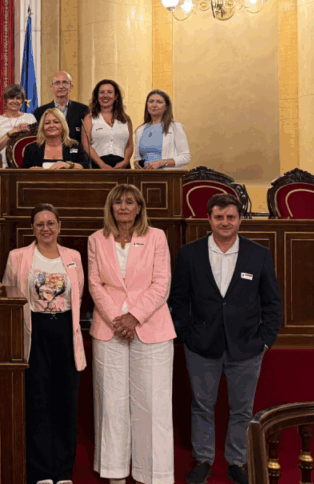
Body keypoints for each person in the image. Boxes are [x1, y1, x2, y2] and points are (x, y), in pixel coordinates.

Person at [169, 194, 282, 484]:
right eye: (219, 217)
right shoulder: (190, 254)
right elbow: (178, 301)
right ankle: (203, 460)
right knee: (201, 406)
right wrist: (186, 335)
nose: (225, 223)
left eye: (231, 217)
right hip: (200, 346)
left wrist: (265, 340)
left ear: (240, 220)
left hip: (247, 347)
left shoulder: (258, 254)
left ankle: (237, 462)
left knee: (242, 409)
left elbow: (272, 302)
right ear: (209, 219)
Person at [87, 184, 175, 484]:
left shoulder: (157, 237)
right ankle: (115, 473)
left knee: (152, 403)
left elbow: (161, 283)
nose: (123, 207)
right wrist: (118, 320)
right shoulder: (96, 239)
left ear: (139, 208)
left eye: (129, 202)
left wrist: (134, 317)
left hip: (152, 327)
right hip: (109, 328)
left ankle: (153, 474)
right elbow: (95, 284)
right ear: (111, 208)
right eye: (118, 202)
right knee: (111, 403)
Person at [1, 204, 87, 484]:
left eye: (51, 223)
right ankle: (40, 472)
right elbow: (9, 295)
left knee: (65, 402)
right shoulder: (18, 256)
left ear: (59, 226)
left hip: (66, 333)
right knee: (37, 402)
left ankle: (62, 472)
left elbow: (79, 294)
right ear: (32, 229)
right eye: (40, 224)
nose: (46, 228)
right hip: (33, 333)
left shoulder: (73, 256)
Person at [82, 79, 134, 170]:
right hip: (97, 166)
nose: (105, 95)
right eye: (102, 92)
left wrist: (125, 161)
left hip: (122, 167)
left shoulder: (126, 119)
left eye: (110, 92)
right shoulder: (89, 118)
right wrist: (101, 164)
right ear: (97, 96)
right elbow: (86, 145)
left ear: (116, 96)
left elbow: (129, 145)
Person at [134, 89, 192, 170]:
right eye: (151, 101)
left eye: (159, 102)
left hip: (167, 175)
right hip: (144, 175)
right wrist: (136, 162)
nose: (154, 105)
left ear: (166, 107)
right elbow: (137, 157)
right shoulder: (140, 130)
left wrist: (161, 162)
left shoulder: (175, 127)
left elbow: (185, 157)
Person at [22, 109, 91, 169]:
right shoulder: (31, 149)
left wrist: (69, 165)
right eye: (47, 123)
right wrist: (32, 171)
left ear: (63, 125)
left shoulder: (74, 146)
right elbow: (23, 173)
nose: (51, 126)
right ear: (42, 127)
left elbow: (86, 166)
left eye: (56, 122)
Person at [0, 84, 38, 167]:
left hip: (26, 167)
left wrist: (29, 129)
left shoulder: (30, 118)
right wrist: (12, 132)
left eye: (18, 98)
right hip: (2, 166)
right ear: (6, 100)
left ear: (22, 101)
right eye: (11, 98)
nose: (15, 101)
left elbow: (38, 143)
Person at [33, 71, 88, 145]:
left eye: (65, 82)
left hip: (75, 151)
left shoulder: (83, 110)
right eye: (57, 83)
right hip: (49, 150)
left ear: (71, 87)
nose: (61, 86)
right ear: (52, 88)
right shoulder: (40, 112)